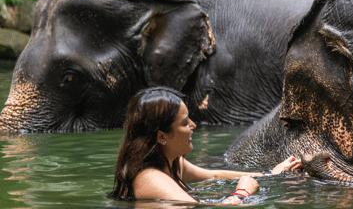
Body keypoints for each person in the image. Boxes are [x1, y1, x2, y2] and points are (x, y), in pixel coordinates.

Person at [109, 87, 302, 204]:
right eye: (185, 123)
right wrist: (242, 193)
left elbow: (214, 175)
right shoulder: (150, 178)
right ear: (162, 136)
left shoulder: (171, 163)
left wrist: (270, 174)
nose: (193, 125)